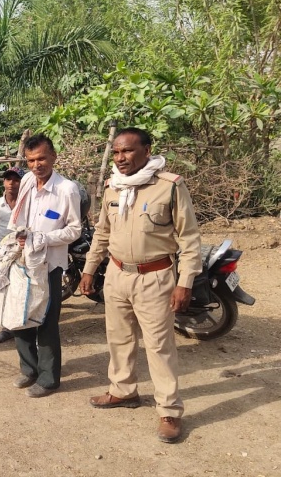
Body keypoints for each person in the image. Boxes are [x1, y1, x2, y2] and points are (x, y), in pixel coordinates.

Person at [79, 127, 202, 443]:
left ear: (147, 151)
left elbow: (189, 238)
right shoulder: (113, 188)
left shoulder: (169, 187)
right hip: (117, 275)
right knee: (118, 338)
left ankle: (169, 411)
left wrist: (184, 282)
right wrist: (91, 270)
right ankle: (123, 390)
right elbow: (102, 234)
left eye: (128, 151)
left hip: (156, 277)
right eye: (117, 152)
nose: (120, 158)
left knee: (160, 346)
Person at [9, 134, 82, 398]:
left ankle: (49, 379)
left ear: (53, 156)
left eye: (41, 158)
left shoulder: (66, 189)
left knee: (47, 321)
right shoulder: (28, 181)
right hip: (24, 260)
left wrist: (44, 239)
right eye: (31, 160)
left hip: (50, 264)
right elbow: (20, 215)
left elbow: (74, 229)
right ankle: (29, 369)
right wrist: (21, 236)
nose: (36, 164)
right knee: (22, 315)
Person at [0, 166, 24, 344]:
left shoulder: (27, 204)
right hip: (0, 254)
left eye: (16, 180)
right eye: (8, 179)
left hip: (22, 253)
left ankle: (21, 326)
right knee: (2, 290)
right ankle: (6, 328)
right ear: (3, 182)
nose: (12, 183)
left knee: (20, 290)